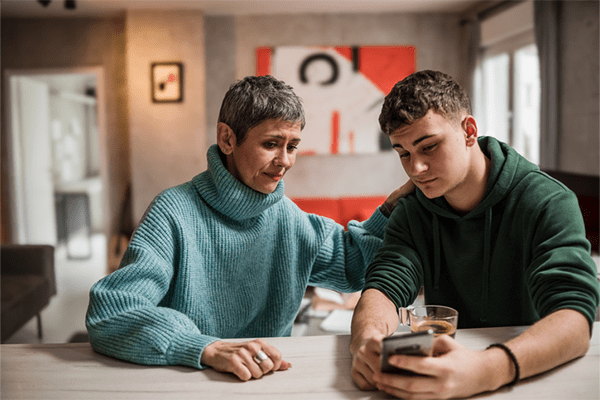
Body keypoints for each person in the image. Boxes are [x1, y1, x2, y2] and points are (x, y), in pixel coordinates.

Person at [86, 75, 413, 382]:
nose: (284, 160)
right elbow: (113, 311)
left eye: (293, 146)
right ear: (227, 139)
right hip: (189, 381)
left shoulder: (287, 216)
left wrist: (387, 211)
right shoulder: (173, 212)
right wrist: (204, 347)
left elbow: (352, 265)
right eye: (271, 143)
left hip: (265, 380)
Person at [350, 70, 600, 399]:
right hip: (447, 373)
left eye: (429, 147)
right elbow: (383, 286)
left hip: (534, 376)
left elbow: (575, 320)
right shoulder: (413, 209)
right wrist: (367, 340)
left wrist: (490, 369)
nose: (416, 169)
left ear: (469, 131)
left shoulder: (548, 201)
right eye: (404, 153)